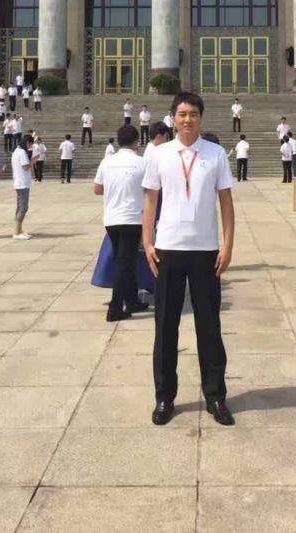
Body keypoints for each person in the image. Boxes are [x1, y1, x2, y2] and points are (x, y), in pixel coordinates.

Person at [142, 91, 235, 427]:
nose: (187, 120)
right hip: (168, 249)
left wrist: (227, 245)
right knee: (165, 326)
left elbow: (226, 202)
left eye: (193, 114)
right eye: (182, 114)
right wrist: (147, 241)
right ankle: (164, 397)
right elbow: (150, 201)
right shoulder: (159, 154)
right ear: (173, 118)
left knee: (209, 326)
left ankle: (215, 396)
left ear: (201, 117)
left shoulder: (215, 153)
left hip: (205, 250)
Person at [93, 125, 148, 321]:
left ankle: (132, 300)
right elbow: (150, 189)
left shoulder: (107, 162)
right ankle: (115, 307)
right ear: (136, 142)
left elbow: (97, 189)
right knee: (124, 262)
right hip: (132, 219)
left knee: (126, 260)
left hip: (111, 219)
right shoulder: (142, 163)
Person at [11, 134, 34, 240]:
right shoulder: (22, 152)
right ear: (27, 142)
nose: (30, 146)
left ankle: (19, 230)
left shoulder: (16, 151)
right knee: (23, 207)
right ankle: (16, 232)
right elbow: (25, 166)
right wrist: (32, 162)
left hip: (19, 182)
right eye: (30, 144)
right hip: (22, 183)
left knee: (20, 207)